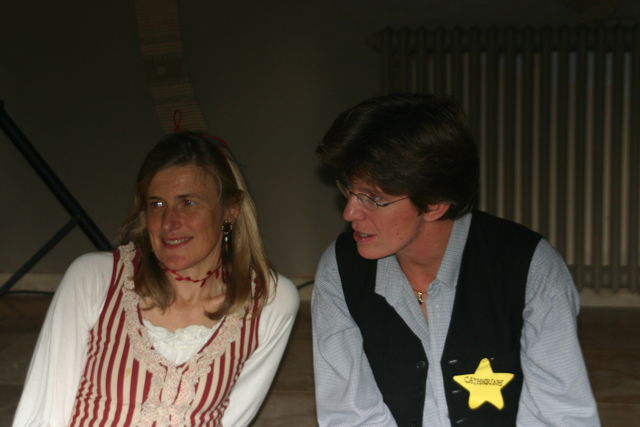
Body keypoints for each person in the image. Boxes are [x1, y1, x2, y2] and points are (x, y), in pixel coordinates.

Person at [311, 93, 600, 426]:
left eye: (374, 199)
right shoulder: (340, 269)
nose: (349, 212)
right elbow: (349, 414)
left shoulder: (529, 267)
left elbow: (559, 414)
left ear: (434, 203)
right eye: (349, 189)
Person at [13, 131, 299, 426]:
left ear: (230, 210)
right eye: (157, 204)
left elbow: (232, 419)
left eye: (188, 203)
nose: (169, 223)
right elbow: (45, 408)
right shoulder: (95, 278)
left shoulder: (270, 301)